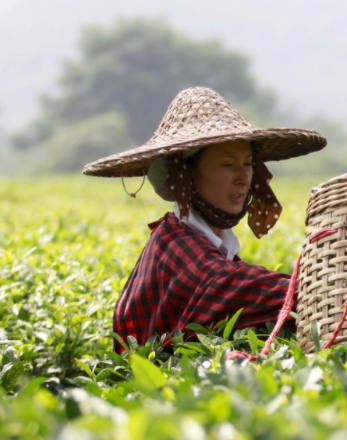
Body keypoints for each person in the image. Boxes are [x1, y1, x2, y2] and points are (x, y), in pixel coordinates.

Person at [82, 87, 327, 352]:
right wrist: (322, 290)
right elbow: (227, 284)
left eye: (247, 163)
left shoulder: (214, 244)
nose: (243, 177)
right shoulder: (173, 243)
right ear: (186, 175)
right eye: (227, 164)